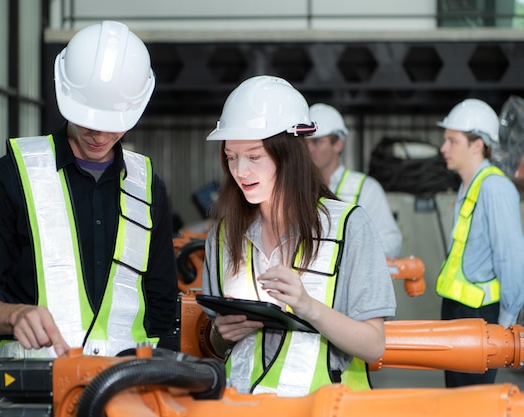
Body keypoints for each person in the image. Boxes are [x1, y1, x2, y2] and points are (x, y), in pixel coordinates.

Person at [0, 21, 178, 358]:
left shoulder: (147, 187)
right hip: (37, 392)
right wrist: (15, 316)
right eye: (88, 119)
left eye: (112, 124)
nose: (99, 135)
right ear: (64, 94)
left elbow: (162, 310)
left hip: (129, 388)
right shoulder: (9, 178)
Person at [201, 75, 396, 397]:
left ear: (289, 154)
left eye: (254, 156)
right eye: (231, 157)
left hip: (323, 406)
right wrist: (222, 334)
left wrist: (308, 306)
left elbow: (374, 346)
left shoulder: (349, 226)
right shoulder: (222, 236)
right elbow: (216, 343)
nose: (240, 171)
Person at [436, 98, 524, 387]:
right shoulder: (469, 185)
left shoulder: (495, 187)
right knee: (457, 400)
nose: (443, 148)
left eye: (452, 140)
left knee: (471, 403)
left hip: (479, 316)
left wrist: (506, 326)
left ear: (477, 144)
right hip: (457, 310)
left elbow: (511, 258)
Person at [305, 103, 402, 259]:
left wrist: (351, 252)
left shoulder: (366, 189)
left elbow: (391, 242)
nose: (309, 149)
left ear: (338, 144)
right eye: (305, 142)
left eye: (317, 142)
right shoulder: (296, 188)